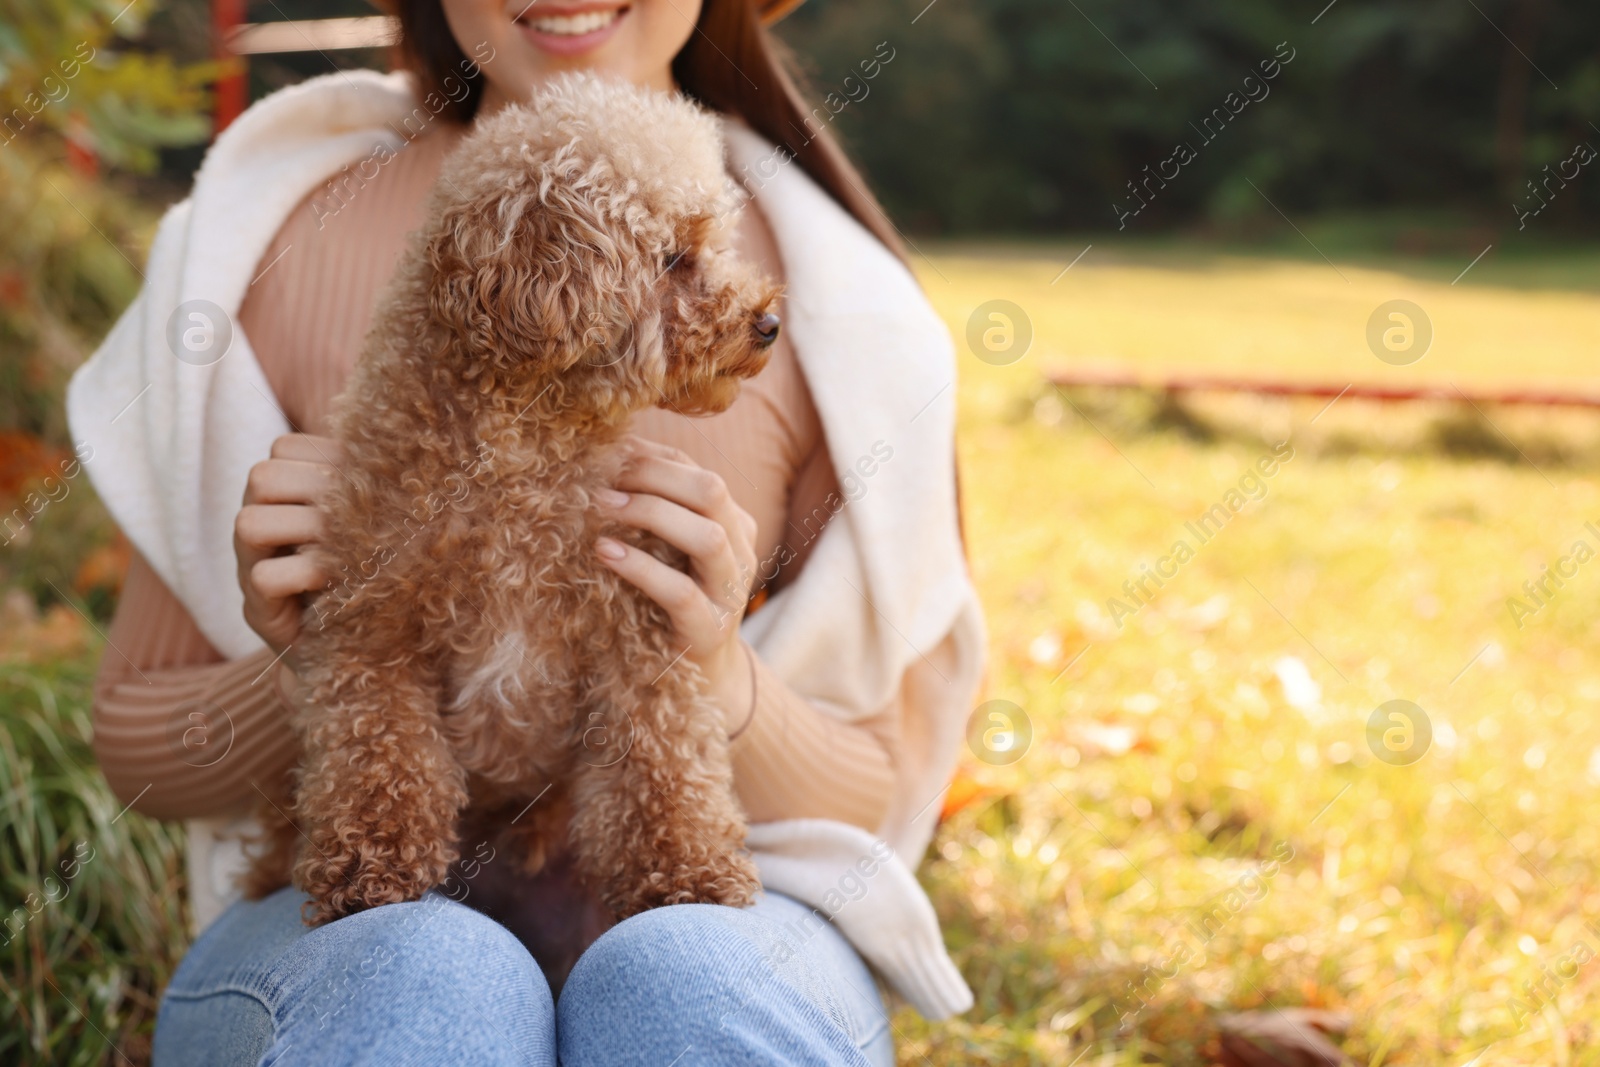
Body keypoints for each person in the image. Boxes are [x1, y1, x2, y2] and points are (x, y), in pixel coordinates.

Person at [65, 0, 986, 1062]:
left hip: (715, 898)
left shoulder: (849, 305)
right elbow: (138, 747)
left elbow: (875, 780)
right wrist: (313, 655)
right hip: (360, 924)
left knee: (691, 982)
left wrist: (719, 664)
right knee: (423, 977)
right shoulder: (252, 238)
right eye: (675, 265)